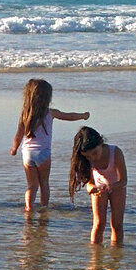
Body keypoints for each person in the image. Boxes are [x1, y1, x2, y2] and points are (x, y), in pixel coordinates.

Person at [9, 78, 89, 212]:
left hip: (27, 154)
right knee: (44, 183)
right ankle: (44, 207)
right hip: (43, 153)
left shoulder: (25, 115)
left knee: (32, 185)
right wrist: (83, 116)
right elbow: (68, 116)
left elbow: (19, 134)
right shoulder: (50, 113)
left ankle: (28, 207)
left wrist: (14, 148)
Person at [69, 126, 128, 246]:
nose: (92, 158)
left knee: (116, 224)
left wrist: (111, 186)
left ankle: (116, 255)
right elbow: (89, 182)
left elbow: (123, 180)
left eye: (95, 153)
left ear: (101, 142)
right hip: (99, 188)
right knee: (99, 223)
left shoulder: (115, 152)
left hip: (117, 186)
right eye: (88, 156)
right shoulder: (87, 160)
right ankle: (95, 255)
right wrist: (91, 189)